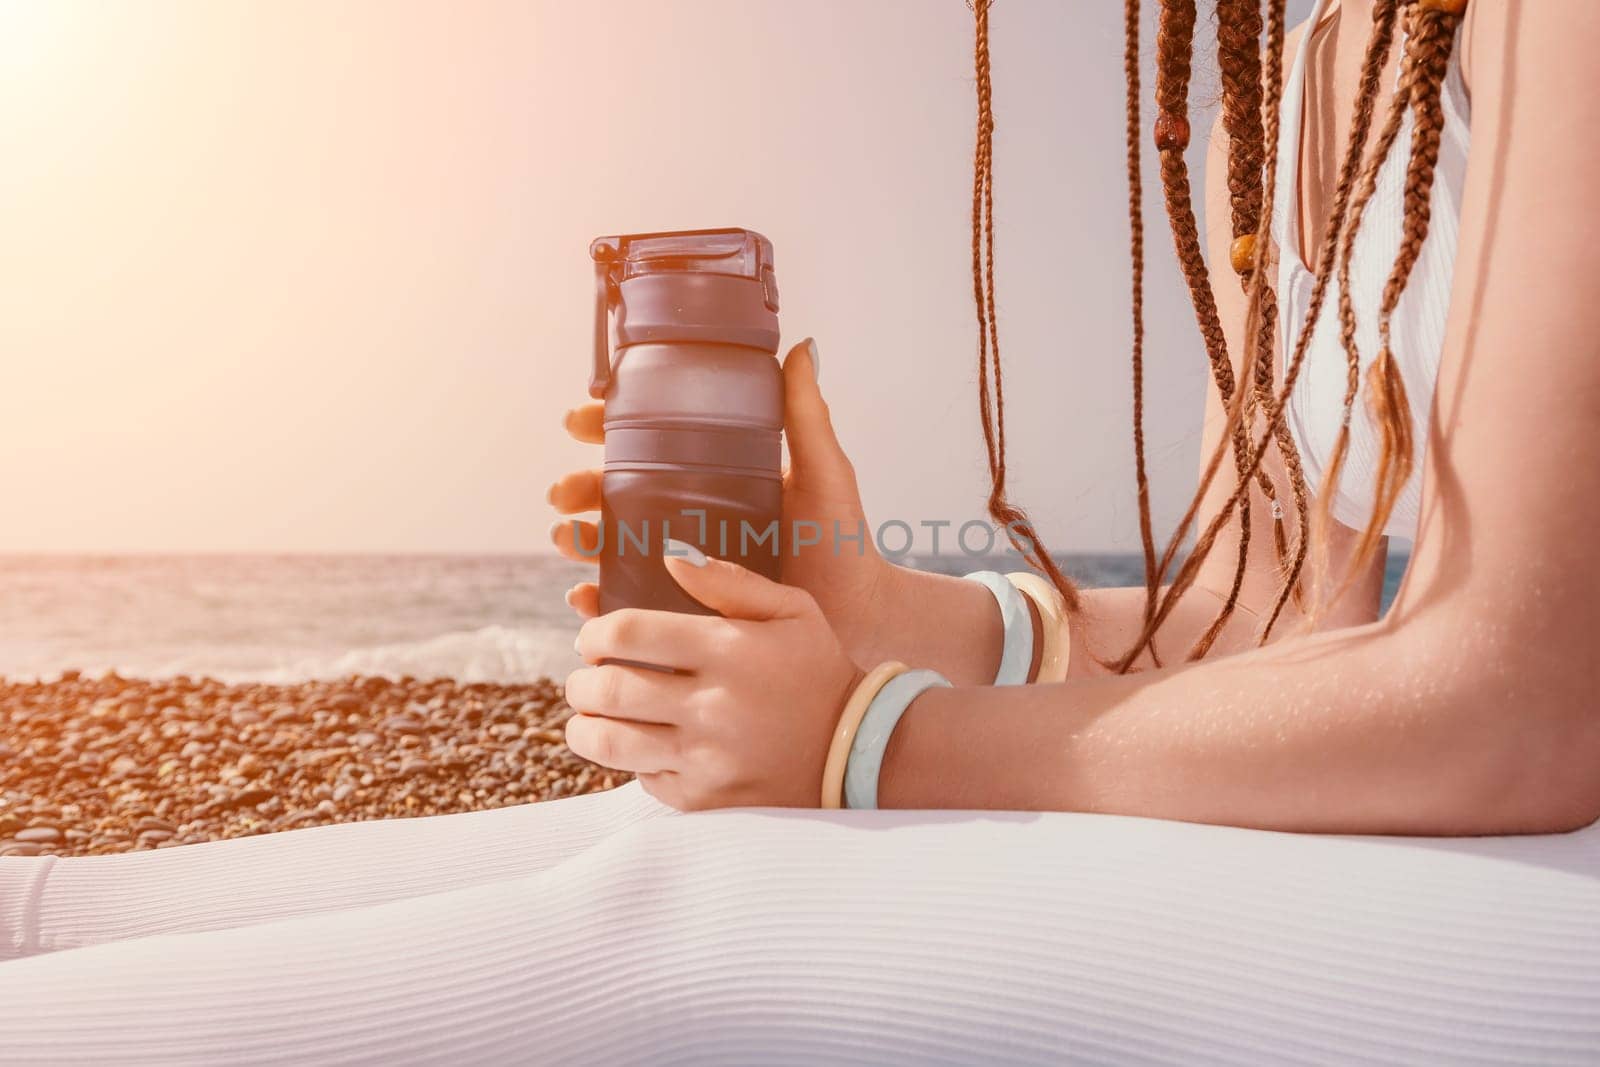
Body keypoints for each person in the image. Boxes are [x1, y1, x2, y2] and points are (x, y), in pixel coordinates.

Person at [3, 1, 1597, 1062]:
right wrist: (896, 614)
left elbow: (1522, 711)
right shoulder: (1305, 66)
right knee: (667, 837)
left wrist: (871, 742)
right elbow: (1262, 624)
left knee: (728, 905)